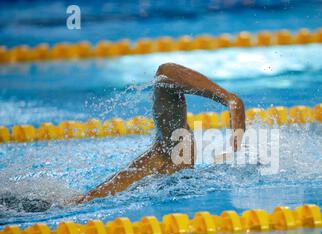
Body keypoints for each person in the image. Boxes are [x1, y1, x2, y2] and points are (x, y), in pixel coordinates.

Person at [73, 63, 246, 204]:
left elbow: (165, 72)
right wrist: (228, 98)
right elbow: (165, 72)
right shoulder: (170, 154)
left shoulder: (173, 155)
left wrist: (229, 99)